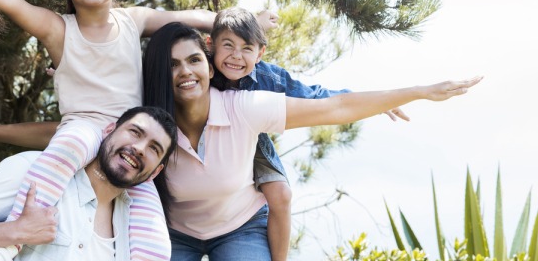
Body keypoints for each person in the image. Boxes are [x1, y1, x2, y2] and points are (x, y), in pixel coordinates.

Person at [0, 0, 275, 261]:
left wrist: (241, 24)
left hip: (129, 133)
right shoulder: (57, 29)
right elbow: (7, 0)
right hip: (83, 129)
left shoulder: (133, 21)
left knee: (154, 228)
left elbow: (186, 16)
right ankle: (13, 239)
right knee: (61, 156)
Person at [141, 22, 481, 261]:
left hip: (239, 228)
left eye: (194, 60)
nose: (186, 71)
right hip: (174, 233)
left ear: (210, 67)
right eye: (172, 65)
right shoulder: (147, 128)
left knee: (280, 193)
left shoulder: (244, 107)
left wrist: (420, 92)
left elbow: (333, 106)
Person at [206, 7, 409, 261]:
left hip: (250, 135)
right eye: (228, 46)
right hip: (209, 135)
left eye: (247, 49)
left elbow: (316, 96)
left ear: (260, 54)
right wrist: (255, 22)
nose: (236, 57)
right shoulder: (199, 66)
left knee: (281, 193)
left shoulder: (268, 77)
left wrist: (374, 103)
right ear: (212, 46)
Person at [0, 106, 178, 260]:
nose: (140, 148)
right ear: (108, 131)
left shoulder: (134, 231)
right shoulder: (31, 171)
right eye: (134, 132)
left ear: (155, 172)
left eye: (154, 149)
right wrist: (15, 231)